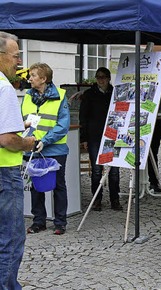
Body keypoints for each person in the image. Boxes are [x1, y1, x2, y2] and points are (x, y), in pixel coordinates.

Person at [0, 31, 37, 290]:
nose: (20, 62)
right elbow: (7, 140)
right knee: (10, 238)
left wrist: (15, 125)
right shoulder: (3, 88)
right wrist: (26, 142)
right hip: (4, 171)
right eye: (15, 56)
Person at [22, 62, 70, 235]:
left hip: (55, 149)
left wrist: (46, 140)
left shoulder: (60, 96)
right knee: (35, 186)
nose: (29, 78)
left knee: (58, 185)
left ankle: (60, 222)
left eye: (33, 75)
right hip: (33, 149)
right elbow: (23, 121)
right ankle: (39, 222)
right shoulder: (28, 96)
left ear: (43, 79)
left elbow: (63, 125)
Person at [80, 67, 122, 211]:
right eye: (98, 77)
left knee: (114, 170)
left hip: (112, 135)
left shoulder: (116, 93)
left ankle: (114, 199)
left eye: (103, 77)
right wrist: (84, 138)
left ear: (109, 78)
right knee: (97, 170)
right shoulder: (89, 94)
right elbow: (83, 117)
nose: (101, 80)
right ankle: (96, 199)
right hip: (94, 136)